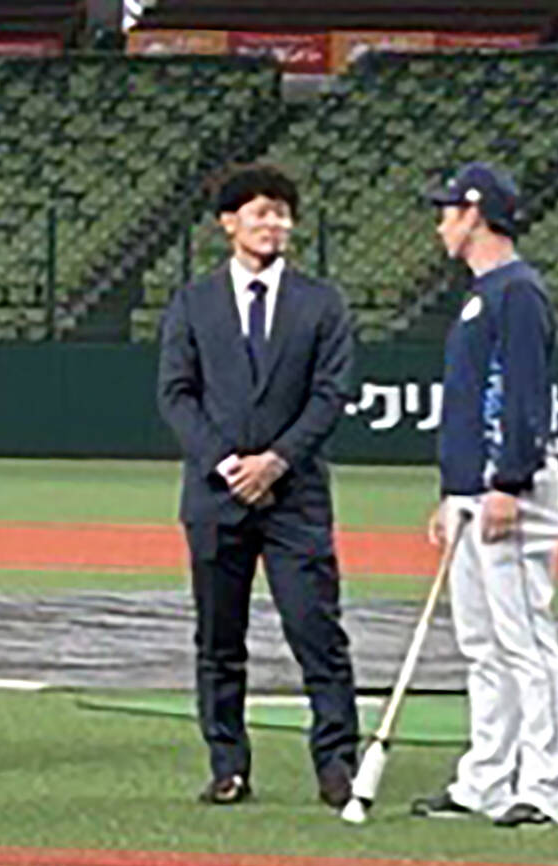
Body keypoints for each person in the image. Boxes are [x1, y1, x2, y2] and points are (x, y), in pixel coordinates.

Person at [157, 163, 359, 808]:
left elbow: (330, 394)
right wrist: (228, 464)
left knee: (315, 630)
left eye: (281, 213)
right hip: (216, 498)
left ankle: (336, 763)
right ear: (229, 223)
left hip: (295, 497)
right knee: (219, 638)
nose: (273, 224)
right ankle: (227, 764)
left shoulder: (321, 303)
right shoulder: (194, 302)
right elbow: (176, 395)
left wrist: (276, 461)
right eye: (260, 212)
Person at [412, 162, 558, 827]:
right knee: (481, 643)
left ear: (475, 214)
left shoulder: (517, 291)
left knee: (524, 639)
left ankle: (543, 786)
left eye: (448, 211)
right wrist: (454, 492)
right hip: (474, 490)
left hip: (511, 489)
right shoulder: (485, 293)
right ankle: (485, 779)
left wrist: (508, 480)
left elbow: (525, 394)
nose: (440, 225)